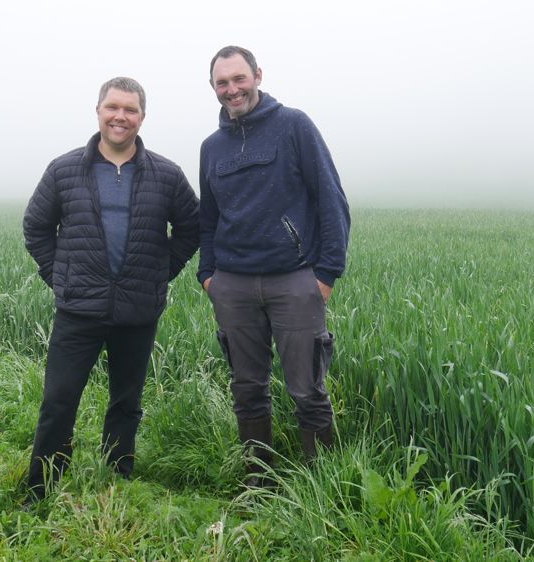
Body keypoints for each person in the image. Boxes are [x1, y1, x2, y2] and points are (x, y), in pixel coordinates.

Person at [22, 76, 200, 502]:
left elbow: (192, 228)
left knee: (126, 402)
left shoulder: (166, 174)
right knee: (59, 401)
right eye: (113, 107)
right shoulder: (65, 170)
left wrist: (158, 274)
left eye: (131, 109)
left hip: (138, 310)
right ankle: (41, 488)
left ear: (142, 116)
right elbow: (36, 227)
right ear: (98, 110)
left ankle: (116, 480)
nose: (121, 117)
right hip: (78, 310)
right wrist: (61, 277)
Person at [198, 46, 351, 485]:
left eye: (239, 79)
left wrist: (325, 276)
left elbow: (331, 198)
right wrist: (209, 276)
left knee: (308, 390)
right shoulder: (212, 148)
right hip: (233, 286)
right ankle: (258, 480)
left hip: (295, 283)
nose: (232, 89)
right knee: (247, 390)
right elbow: (208, 218)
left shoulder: (294, 126)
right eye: (222, 83)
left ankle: (322, 486)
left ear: (258, 76)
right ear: (213, 88)